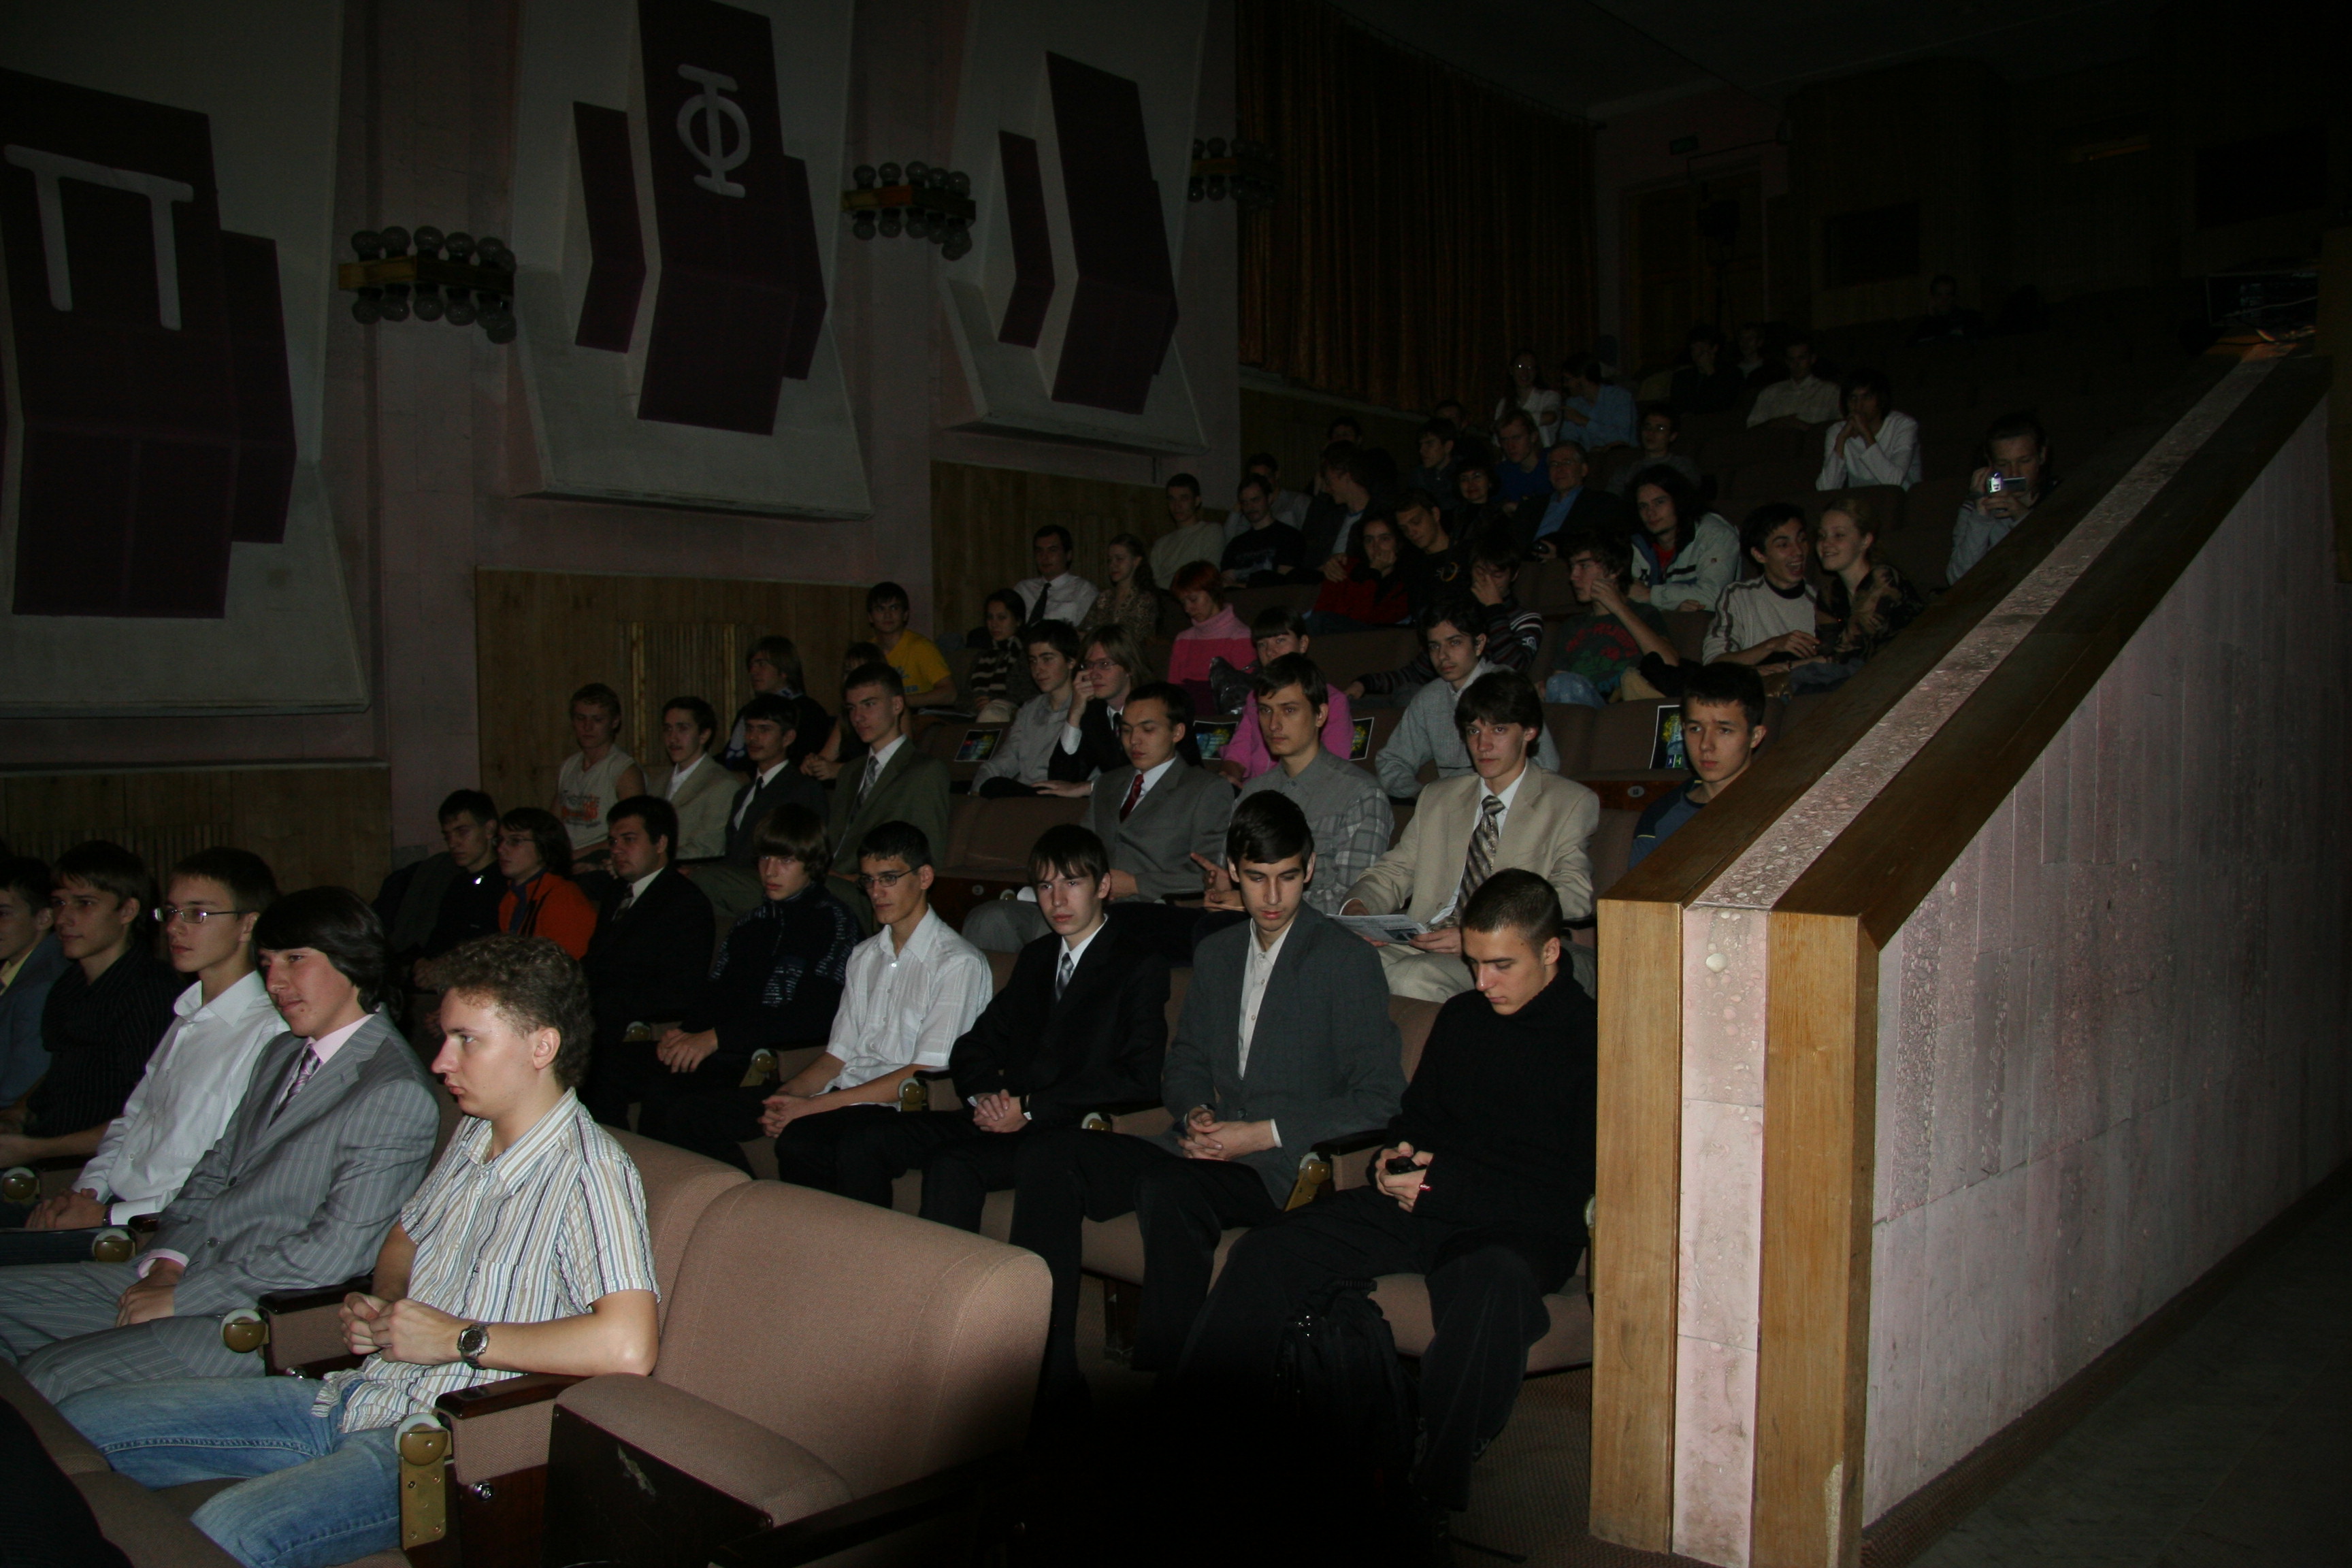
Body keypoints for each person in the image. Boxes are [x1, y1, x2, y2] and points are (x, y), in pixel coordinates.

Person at [59, 933, 657, 1568]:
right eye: (445, 1037)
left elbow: (627, 1345)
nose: (440, 1062)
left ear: (542, 1046)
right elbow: (403, 1236)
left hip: (438, 1444)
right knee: (83, 1422)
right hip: (356, 1395)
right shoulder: (475, 1133)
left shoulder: (590, 1172)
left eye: (466, 1040)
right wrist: (388, 1303)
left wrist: (459, 1339)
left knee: (220, 1533)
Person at [1177, 869, 1596, 1536]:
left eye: (1500, 966)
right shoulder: (1463, 1018)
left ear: (1550, 952)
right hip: (1420, 1203)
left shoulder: (1592, 1042)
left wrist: (1442, 1184)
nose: (1483, 983)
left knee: (1491, 1289)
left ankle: (1430, 1488)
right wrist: (1394, 1159)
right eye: (1474, 964)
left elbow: (1570, 1198)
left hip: (1515, 1229)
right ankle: (1197, 1437)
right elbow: (1416, 1119)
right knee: (1272, 1249)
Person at [1007, 792, 1405, 1409]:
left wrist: (1262, 1132)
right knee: (1053, 1159)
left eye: (1287, 878)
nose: (1272, 898)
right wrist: (1195, 1108)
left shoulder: (1344, 960)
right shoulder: (1218, 954)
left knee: (1171, 1191)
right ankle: (1049, 1377)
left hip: (1278, 1168)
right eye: (1255, 879)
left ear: (1311, 867)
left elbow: (1380, 1097)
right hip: (1197, 1145)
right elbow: (1186, 1059)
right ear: (1233, 872)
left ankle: (1176, 1395)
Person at [0, 887, 438, 1402]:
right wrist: (169, 1260)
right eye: (268, 962)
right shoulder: (283, 1051)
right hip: (192, 1270)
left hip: (254, 1319)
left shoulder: (392, 1090)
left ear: (355, 962)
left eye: (296, 960)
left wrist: (184, 1296)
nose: (275, 982)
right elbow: (214, 1171)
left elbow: (333, 1253)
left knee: (47, 1377)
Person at [825, 824, 1170, 1218]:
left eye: (1071, 882)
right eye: (1044, 886)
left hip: (1066, 1130)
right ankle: (862, 1264)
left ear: (1103, 886)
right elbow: (974, 1046)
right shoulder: (1037, 957)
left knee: (954, 1164)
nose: (1057, 899)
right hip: (1002, 1113)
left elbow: (1138, 1076)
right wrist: (987, 1097)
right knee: (867, 1138)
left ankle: (950, 1280)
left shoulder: (1138, 964)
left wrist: (1028, 1108)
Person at [1, 851, 281, 1262]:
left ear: (248, 923)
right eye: (170, 912)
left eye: (197, 914)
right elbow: (131, 1123)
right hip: (109, 1205)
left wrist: (107, 1215)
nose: (174, 928)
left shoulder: (266, 1033)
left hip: (157, 1233)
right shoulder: (188, 1014)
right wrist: (86, 1192)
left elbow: (228, 1178)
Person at [595, 805, 855, 1152]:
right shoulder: (751, 924)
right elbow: (715, 993)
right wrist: (686, 1032)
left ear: (812, 864)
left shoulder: (834, 922)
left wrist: (715, 1038)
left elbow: (813, 1016)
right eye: (764, 859)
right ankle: (609, 1173)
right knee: (603, 1067)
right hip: (720, 1050)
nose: (769, 871)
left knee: (670, 1100)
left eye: (785, 861)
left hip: (769, 1059)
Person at [749, 823, 990, 1195]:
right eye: (868, 881)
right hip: (854, 1097)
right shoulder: (863, 956)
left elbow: (925, 1072)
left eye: (889, 878)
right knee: (796, 1138)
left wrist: (817, 1105)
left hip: (908, 1107)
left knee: (847, 1140)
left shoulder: (957, 962)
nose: (876, 892)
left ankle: (863, 1249)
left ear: (924, 876)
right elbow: (839, 1054)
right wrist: (791, 1095)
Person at [1343, 671, 1599, 999]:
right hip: (1424, 940)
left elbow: (1574, 895)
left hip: (1500, 955)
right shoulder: (1438, 797)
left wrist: (1480, 933)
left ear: (1530, 733)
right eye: (1474, 731)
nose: (1483, 744)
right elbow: (1394, 871)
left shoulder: (1568, 802)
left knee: (1411, 978)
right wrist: (1359, 908)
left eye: (1499, 729)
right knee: (1333, 963)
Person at [966, 683, 1233, 962]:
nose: (1134, 741)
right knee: (989, 917)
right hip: (1087, 902)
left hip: (1150, 912)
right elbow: (1081, 849)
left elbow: (1212, 874)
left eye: (1148, 729)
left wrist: (1136, 884)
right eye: (1127, 730)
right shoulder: (1108, 783)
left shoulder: (1205, 789)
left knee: (1067, 933)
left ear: (1177, 732)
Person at [0, 844, 176, 1175]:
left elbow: (150, 1114)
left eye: (85, 904)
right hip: (49, 1156)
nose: (64, 918)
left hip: (104, 1170)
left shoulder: (150, 992)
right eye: (59, 903)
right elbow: (61, 1071)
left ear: (127, 911)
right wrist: (17, 1113)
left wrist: (35, 1149)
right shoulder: (70, 983)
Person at [1208, 656, 1391, 917]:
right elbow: (1230, 871)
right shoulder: (1252, 793)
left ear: (1320, 715)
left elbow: (1351, 899)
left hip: (1320, 935)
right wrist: (1222, 886)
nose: (1274, 724)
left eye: (1289, 710)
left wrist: (1252, 901)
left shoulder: (1360, 794)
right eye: (1265, 710)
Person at [577, 796, 715, 1126]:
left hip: (640, 1026)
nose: (617, 850)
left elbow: (680, 988)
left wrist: (601, 1006)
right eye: (613, 841)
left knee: (595, 1064)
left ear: (660, 842)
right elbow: (596, 960)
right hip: (598, 1015)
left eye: (629, 839)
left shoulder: (684, 902)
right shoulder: (617, 894)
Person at [1372, 604, 1561, 801]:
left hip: (1506, 804)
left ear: (1479, 644)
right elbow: (1392, 760)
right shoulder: (1429, 699)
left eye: (1454, 643)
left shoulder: (1508, 686)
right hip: (1452, 809)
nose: (1443, 655)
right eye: (1434, 646)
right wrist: (1422, 796)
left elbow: (1546, 764)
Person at [825, 663, 952, 932]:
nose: (858, 716)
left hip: (871, 892)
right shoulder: (850, 771)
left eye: (869, 704)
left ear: (896, 706)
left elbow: (927, 858)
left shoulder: (925, 771)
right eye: (851, 708)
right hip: (829, 882)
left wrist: (853, 879)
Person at [1350, 534, 1541, 701]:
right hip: (1444, 699)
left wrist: (1495, 610)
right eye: (1481, 572)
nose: (1487, 581)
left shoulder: (1526, 619)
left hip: (1490, 705)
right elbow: (1418, 672)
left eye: (1497, 575)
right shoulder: (1457, 617)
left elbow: (1513, 671)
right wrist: (1367, 683)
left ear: (1514, 575)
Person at [698, 692, 828, 928]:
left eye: (764, 729)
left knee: (701, 880)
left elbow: (812, 856)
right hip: (738, 882)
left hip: (775, 882)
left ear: (788, 737)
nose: (753, 738)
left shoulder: (803, 788)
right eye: (749, 729)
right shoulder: (744, 793)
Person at [1629, 664, 1769, 869]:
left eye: (1724, 730)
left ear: (1755, 737)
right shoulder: (1661, 816)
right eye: (1695, 729)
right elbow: (1638, 897)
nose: (1705, 745)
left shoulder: (1781, 808)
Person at [1213, 610, 1358, 782]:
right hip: (1257, 793)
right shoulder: (1255, 698)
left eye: (1280, 641)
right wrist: (1228, 777)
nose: (1270, 652)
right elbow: (1239, 750)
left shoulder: (1332, 700)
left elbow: (1333, 764)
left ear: (1303, 644)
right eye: (1262, 645)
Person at [1541, 530, 1680, 708]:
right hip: (1579, 709)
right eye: (1572, 567)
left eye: (1584, 566)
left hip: (1624, 708)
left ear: (1614, 570)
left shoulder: (1644, 613)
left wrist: (1619, 608)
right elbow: (1559, 681)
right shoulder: (1572, 626)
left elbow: (1669, 663)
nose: (1573, 577)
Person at [1697, 504, 1822, 667]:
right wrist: (1772, 646)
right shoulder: (1738, 596)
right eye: (1784, 545)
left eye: (1802, 539)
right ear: (1759, 555)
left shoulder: (1821, 600)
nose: (1798, 551)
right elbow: (1715, 663)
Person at [974, 619, 1084, 796]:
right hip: (1025, 792)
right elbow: (1004, 761)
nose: (1038, 669)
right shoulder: (1030, 709)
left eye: (1047, 659)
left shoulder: (1086, 707)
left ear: (1071, 661)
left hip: (1059, 794)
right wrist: (977, 789)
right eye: (1033, 661)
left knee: (997, 787)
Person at [1045, 624, 1157, 791]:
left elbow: (1157, 776)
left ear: (1129, 667)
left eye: (1104, 664)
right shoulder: (1095, 714)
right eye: (1089, 665)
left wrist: (1090, 787)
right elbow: (1062, 779)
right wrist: (1075, 713)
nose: (1094, 674)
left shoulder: (1160, 705)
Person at [1948, 412, 2055, 583]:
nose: (2014, 473)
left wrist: (2022, 517)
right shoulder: (1975, 507)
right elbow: (1958, 579)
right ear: (1990, 464)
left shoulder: (2060, 496)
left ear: (2041, 456)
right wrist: (1981, 517)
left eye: (2024, 461)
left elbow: (2055, 566)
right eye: (2003, 465)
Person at [411, 791, 504, 981]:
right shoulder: (457, 883)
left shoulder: (504, 883)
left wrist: (444, 968)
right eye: (448, 836)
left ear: (489, 829)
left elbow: (492, 951)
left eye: (462, 832)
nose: (453, 843)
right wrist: (423, 962)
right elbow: (441, 937)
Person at [552, 683, 645, 870]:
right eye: (581, 719)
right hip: (568, 855)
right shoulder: (569, 766)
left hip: (604, 858)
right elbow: (553, 824)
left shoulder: (623, 770)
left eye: (597, 720)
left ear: (614, 722)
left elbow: (631, 832)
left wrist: (576, 856)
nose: (587, 727)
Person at [1627, 466, 1740, 616]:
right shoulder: (1636, 543)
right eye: (1643, 506)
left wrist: (1650, 595)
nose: (1650, 513)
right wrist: (1671, 607)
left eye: (1659, 502)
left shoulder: (1715, 534)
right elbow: (1626, 598)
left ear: (1679, 501)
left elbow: (1716, 597)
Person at [0, 855, 66, 1110]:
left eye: (3, 914)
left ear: (43, 918)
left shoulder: (41, 987)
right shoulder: (18, 970)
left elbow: (18, 1089)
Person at [493, 808, 597, 960]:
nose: (501, 849)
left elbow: (571, 970)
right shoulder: (511, 897)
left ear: (544, 846)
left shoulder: (563, 898)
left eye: (515, 841)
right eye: (500, 840)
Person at [722, 636, 830, 772]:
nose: (753, 672)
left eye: (761, 664)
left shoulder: (808, 711)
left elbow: (802, 759)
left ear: (784, 669)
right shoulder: (749, 710)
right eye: (751, 666)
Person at [1516, 438, 1635, 560]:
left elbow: (1603, 545)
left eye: (1567, 463)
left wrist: (1561, 553)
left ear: (1584, 470)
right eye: (1554, 464)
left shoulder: (1603, 504)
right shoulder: (1530, 507)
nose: (1559, 469)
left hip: (1569, 566)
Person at [1304, 509, 1411, 635]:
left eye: (1385, 539)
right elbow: (1322, 609)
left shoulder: (1406, 583)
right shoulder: (1345, 567)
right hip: (1329, 635)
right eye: (1369, 540)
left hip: (1369, 639)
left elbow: (1363, 618)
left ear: (1398, 542)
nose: (1376, 547)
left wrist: (1374, 573)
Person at [1164, 562, 1255, 707]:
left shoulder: (1240, 636)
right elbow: (1173, 693)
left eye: (1193, 600)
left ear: (1212, 592)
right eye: (1183, 603)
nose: (1188, 609)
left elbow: (1248, 697)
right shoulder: (1183, 639)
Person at [1816, 368, 1921, 492]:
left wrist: (1866, 434)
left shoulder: (1904, 425)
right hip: (1860, 504)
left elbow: (1894, 482)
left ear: (1881, 400)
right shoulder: (1837, 431)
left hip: (1902, 500)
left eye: (1866, 398)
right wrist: (1841, 440)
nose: (1858, 406)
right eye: (1853, 398)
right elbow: (1825, 489)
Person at [657, 696, 734, 862]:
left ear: (704, 735)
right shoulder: (659, 782)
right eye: (668, 729)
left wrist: (650, 860)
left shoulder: (722, 785)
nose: (673, 738)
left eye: (682, 729)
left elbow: (707, 848)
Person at [864, 581, 956, 708]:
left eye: (894, 608)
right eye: (880, 609)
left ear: (905, 614)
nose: (887, 615)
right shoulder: (866, 652)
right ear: (870, 617)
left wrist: (901, 702)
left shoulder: (921, 647)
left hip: (918, 715)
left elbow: (950, 694)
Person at [1302, 446, 1392, 566]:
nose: (1327, 489)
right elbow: (1309, 548)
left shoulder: (1381, 515)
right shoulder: (1333, 517)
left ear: (1347, 477)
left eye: (1329, 482)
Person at [1394, 487, 1473, 621]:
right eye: (1404, 529)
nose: (1411, 532)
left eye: (1416, 522)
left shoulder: (1469, 553)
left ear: (1435, 514)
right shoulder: (1412, 565)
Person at [964, 589, 1041, 723]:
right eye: (990, 617)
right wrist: (977, 703)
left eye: (1002, 618)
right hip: (973, 716)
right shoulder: (982, 655)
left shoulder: (1027, 654)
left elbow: (1033, 696)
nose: (994, 624)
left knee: (993, 714)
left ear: (1018, 621)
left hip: (1013, 718)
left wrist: (994, 701)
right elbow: (962, 698)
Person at [1219, 474, 1306, 586]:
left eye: (1255, 500)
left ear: (1269, 498)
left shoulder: (1290, 537)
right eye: (1245, 502)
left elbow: (1283, 584)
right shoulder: (1235, 545)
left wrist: (1239, 586)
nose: (1250, 507)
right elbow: (1225, 583)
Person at [1077, 532, 1161, 647]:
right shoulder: (1105, 597)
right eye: (1110, 560)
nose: (1113, 565)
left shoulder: (1145, 599)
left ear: (1136, 561)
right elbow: (1085, 629)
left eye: (1119, 559)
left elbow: (1138, 640)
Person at [1012, 523, 1099, 629]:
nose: (1044, 557)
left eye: (1052, 550)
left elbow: (1091, 634)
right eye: (1039, 551)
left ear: (1068, 555)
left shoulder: (1084, 591)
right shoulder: (1023, 589)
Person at [1148, 473, 1228, 587]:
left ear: (1197, 501)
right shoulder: (1161, 545)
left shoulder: (1211, 532)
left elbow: (1208, 576)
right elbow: (1152, 584)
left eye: (1184, 499)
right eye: (1172, 499)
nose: (1177, 505)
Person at [1610, 404, 1705, 497]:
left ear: (1672, 436)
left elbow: (1688, 499)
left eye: (1660, 428)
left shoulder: (1682, 466)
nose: (1651, 433)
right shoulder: (1626, 471)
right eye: (1647, 427)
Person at [1746, 336, 1841, 428]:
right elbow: (1752, 428)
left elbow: (1841, 426)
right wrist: (1775, 423)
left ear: (1812, 359)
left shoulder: (1830, 391)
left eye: (1801, 358)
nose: (1796, 364)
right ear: (1787, 361)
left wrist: (1806, 428)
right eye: (1791, 359)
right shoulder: (1770, 393)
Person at [1558, 354, 1635, 451]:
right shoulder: (1573, 403)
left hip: (1621, 457)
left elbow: (1622, 439)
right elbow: (1568, 440)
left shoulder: (1620, 398)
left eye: (1568, 380)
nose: (1565, 385)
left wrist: (1585, 421)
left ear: (1583, 378)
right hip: (1589, 459)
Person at [1491, 348, 1560, 448]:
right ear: (1511, 370)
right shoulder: (1504, 403)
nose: (1525, 373)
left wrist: (1508, 422)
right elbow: (1497, 441)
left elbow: (1550, 417)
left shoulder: (1549, 397)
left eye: (1530, 368)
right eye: (1520, 367)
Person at [1670, 324, 1745, 415]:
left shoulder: (1731, 374)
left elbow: (1723, 404)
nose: (1697, 354)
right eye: (1694, 349)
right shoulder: (1682, 377)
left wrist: (1710, 372)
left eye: (1701, 348)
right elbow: (1678, 407)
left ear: (1714, 348)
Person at [1490, 410, 1549, 517]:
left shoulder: (1553, 463)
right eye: (1504, 440)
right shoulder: (1502, 472)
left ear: (1533, 437)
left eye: (1516, 438)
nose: (1510, 446)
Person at [1907, 273, 1984, 344]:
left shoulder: (1968, 318)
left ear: (1954, 297)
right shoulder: (1924, 326)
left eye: (1948, 295)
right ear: (1932, 298)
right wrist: (1932, 318)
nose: (1944, 300)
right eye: (1939, 295)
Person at [1245, 451, 1311, 529]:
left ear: (1276, 475)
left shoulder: (1298, 502)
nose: (1261, 483)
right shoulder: (1251, 507)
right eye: (1256, 479)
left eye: (1265, 478)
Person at [1413, 418, 1461, 512]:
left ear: (1448, 446)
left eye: (1429, 444)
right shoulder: (1419, 474)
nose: (1422, 451)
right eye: (1421, 445)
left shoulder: (1463, 473)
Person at [1734, 321, 1781, 389]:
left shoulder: (1770, 369)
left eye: (1749, 339)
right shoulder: (1732, 370)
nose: (1745, 343)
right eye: (1742, 339)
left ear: (1760, 342)